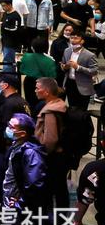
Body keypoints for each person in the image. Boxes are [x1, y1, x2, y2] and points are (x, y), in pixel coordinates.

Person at [1, 113, 48, 225]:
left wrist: (19, 203)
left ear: (22, 133)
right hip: (12, 205)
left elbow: (35, 185)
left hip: (20, 209)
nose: (8, 129)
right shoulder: (18, 146)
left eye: (11, 127)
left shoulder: (30, 152)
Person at [33, 77, 69, 208]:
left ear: (46, 91)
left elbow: (51, 139)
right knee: (60, 188)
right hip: (60, 154)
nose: (35, 90)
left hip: (52, 156)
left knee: (52, 189)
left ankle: (52, 217)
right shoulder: (60, 104)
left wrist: (44, 152)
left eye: (37, 88)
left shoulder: (50, 112)